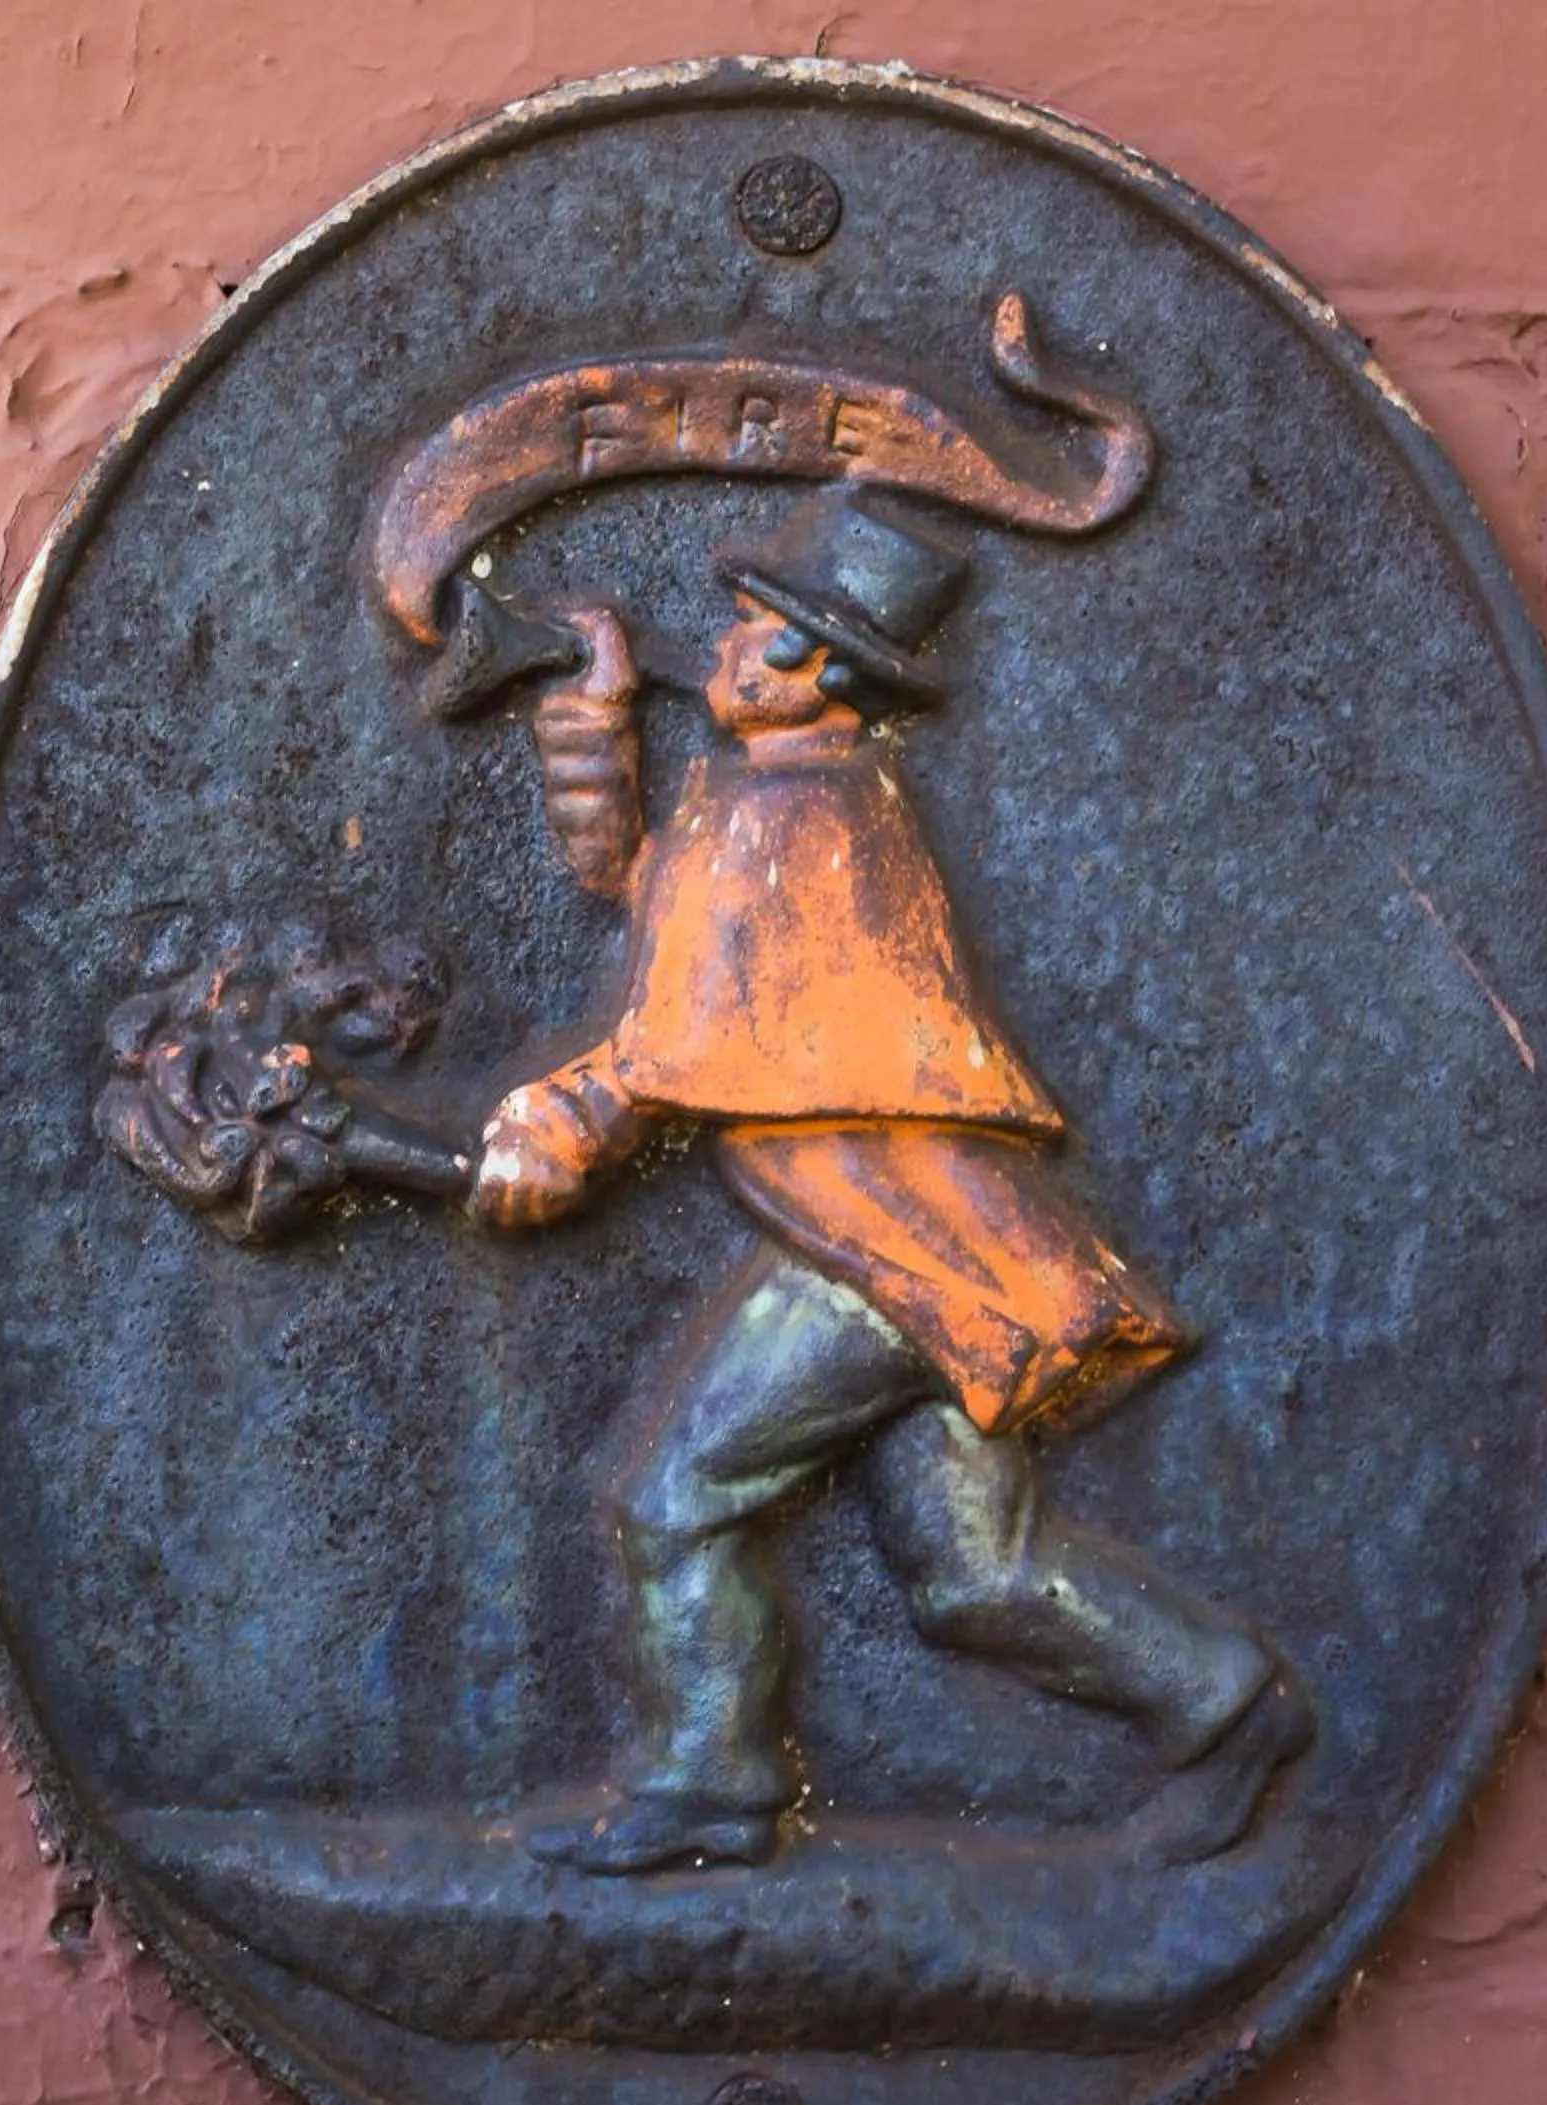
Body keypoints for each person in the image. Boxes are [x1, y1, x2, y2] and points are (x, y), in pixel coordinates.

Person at [466, 485, 1314, 1875]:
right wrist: (595, 716)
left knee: (673, 1498)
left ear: (824, 667)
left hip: (877, 1250)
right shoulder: (755, 794)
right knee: (977, 1576)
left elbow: (709, 1034)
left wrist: (575, 1105)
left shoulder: (823, 818)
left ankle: (713, 1775)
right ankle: (1231, 1703)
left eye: (756, 629)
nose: (727, 646)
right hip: (931, 1253)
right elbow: (649, 895)